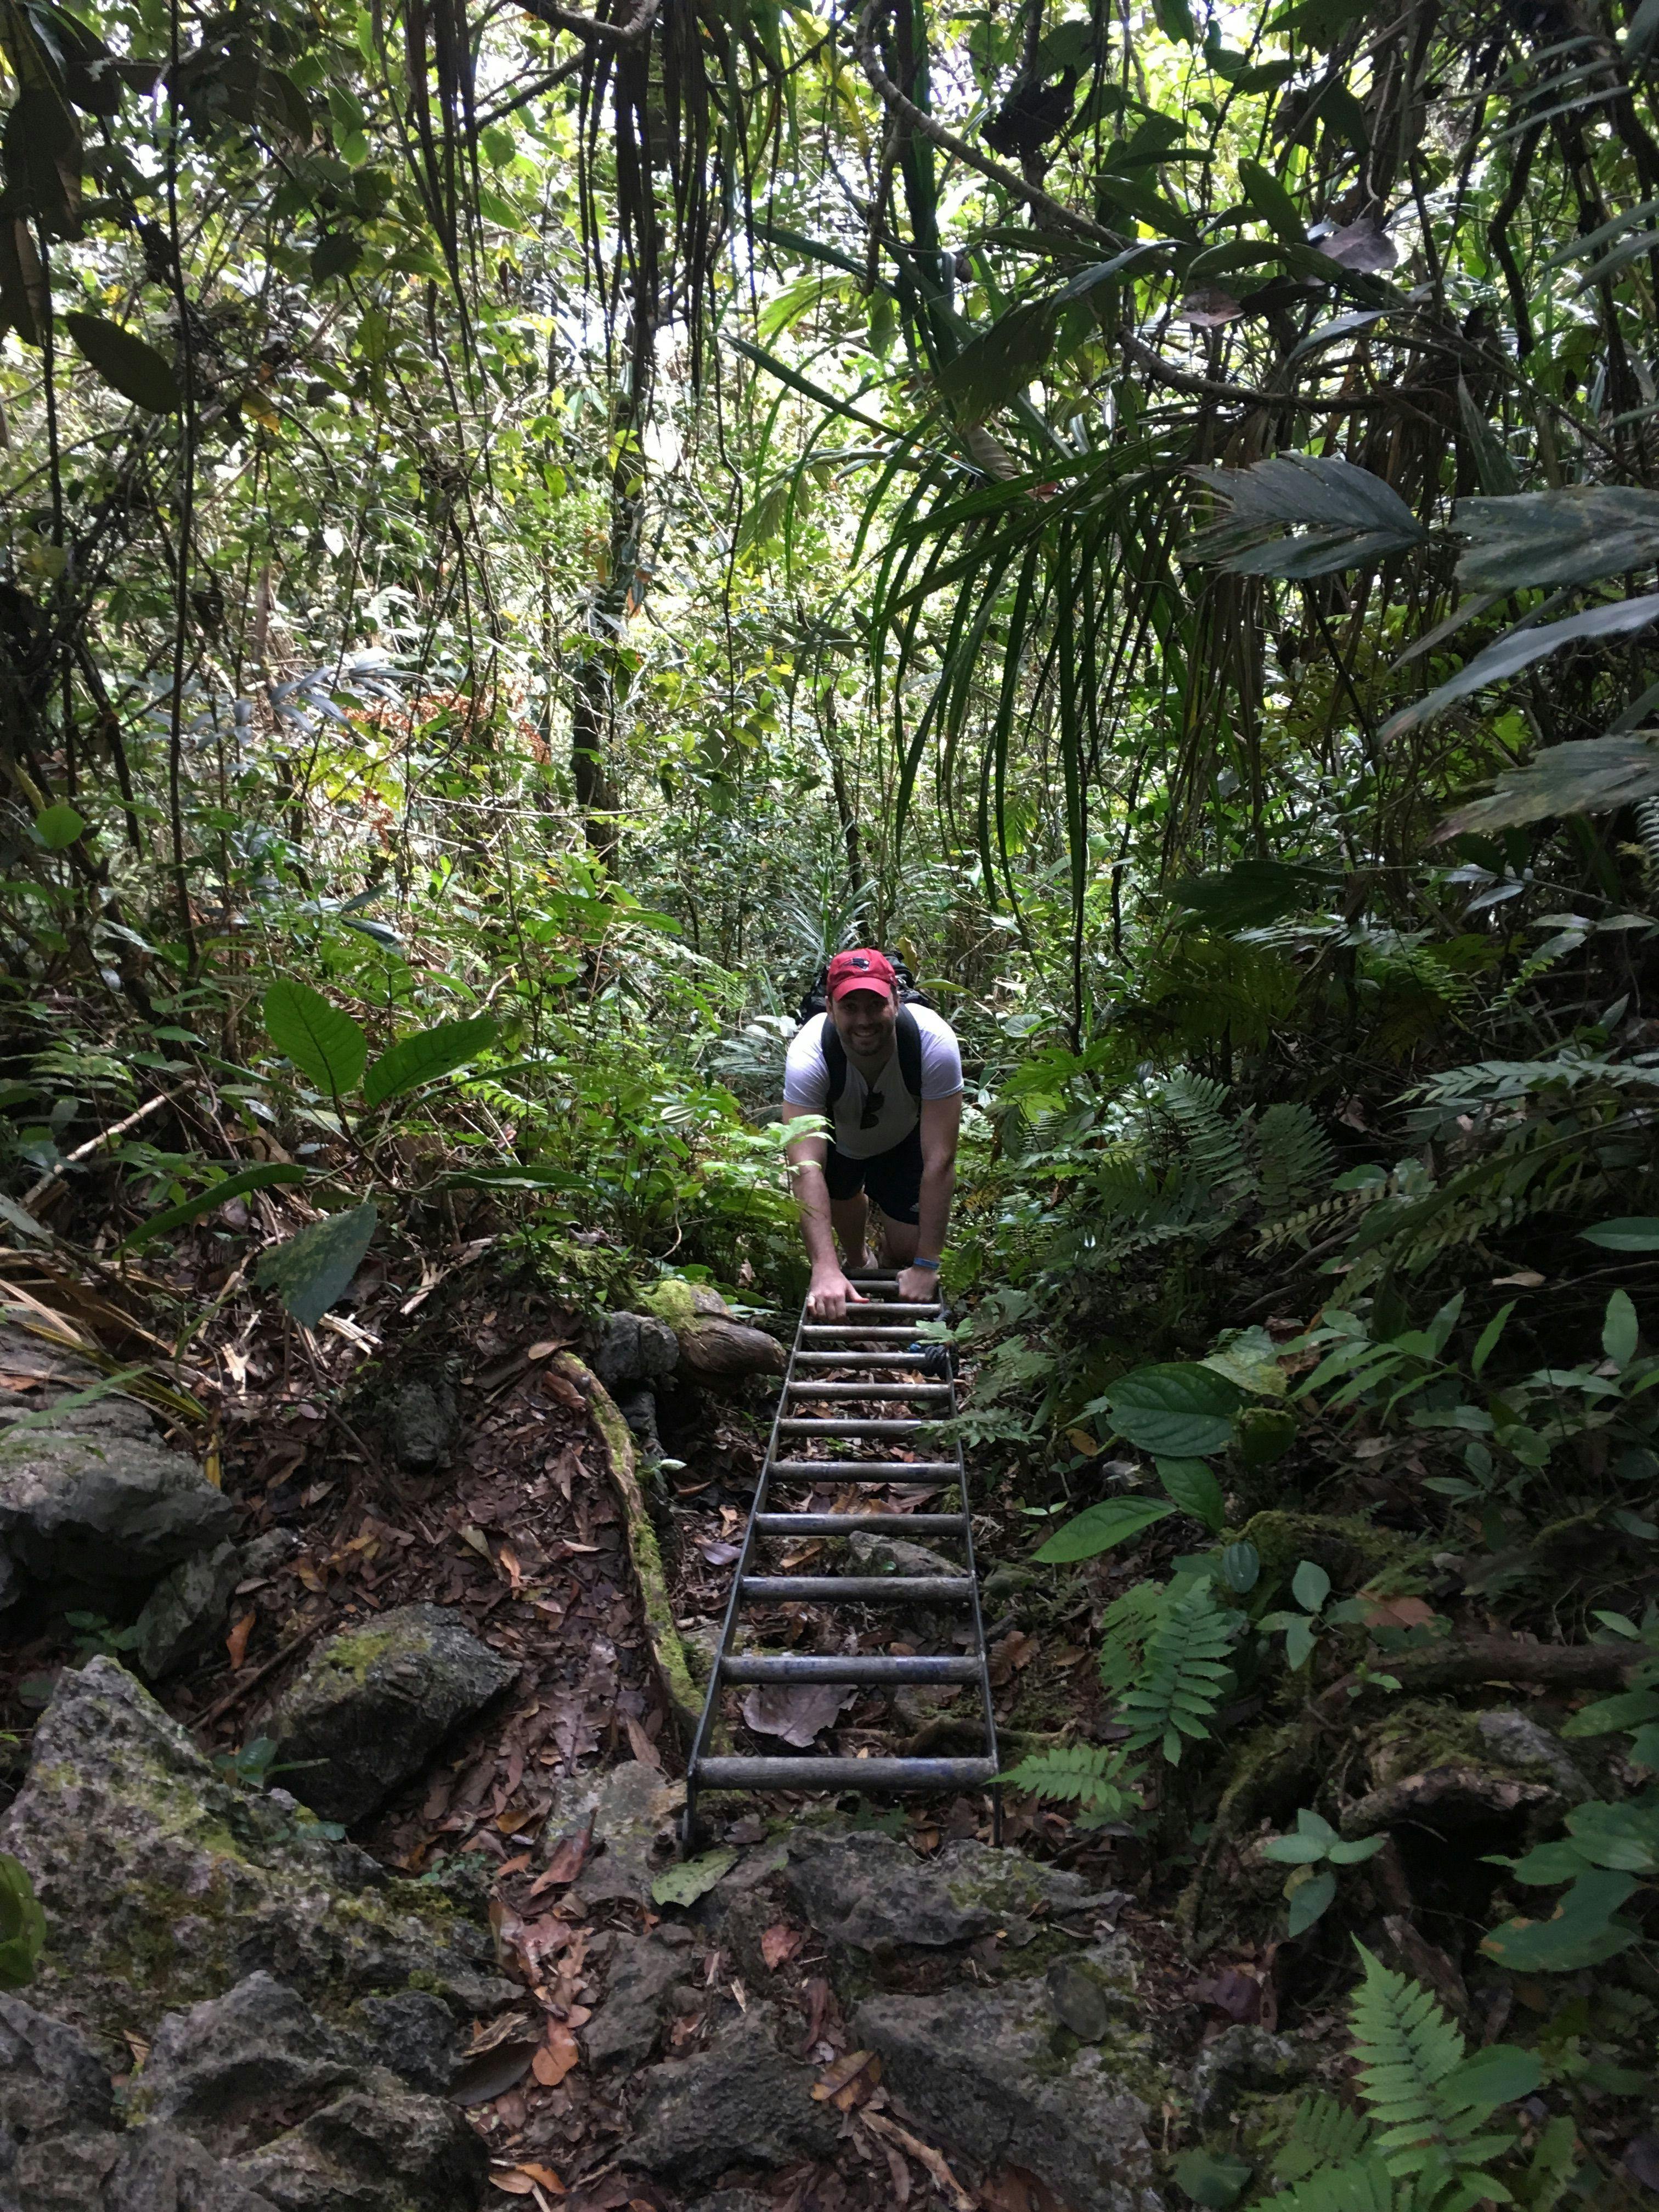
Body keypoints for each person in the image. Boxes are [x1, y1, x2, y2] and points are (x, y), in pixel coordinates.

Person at [782, 948, 963, 1321]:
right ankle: (857, 1260)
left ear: (896, 1002)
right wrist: (824, 1267)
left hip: (903, 1139)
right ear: (830, 1009)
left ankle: (891, 1255)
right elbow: (806, 1166)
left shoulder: (932, 1042)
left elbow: (940, 1160)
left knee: (906, 1249)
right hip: (841, 1141)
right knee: (844, 1199)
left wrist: (927, 1264)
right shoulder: (809, 1055)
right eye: (850, 1008)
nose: (863, 1021)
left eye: (875, 1005)